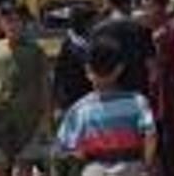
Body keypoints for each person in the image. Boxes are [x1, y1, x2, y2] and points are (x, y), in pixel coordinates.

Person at [57, 36, 157, 176]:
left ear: (87, 71)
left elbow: (67, 146)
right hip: (132, 166)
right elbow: (150, 135)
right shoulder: (138, 101)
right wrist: (147, 167)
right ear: (119, 69)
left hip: (95, 168)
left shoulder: (80, 108)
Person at [0, 3, 50, 176]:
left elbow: (44, 84)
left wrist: (45, 118)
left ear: (24, 23)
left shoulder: (36, 50)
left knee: (24, 166)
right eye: (8, 21)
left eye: (17, 21)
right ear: (1, 23)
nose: (12, 25)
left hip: (28, 119)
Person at [137, 0, 174, 176]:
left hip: (169, 94)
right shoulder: (141, 27)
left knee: (170, 146)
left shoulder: (171, 28)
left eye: (154, 0)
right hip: (149, 93)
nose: (147, 4)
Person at [90, 0, 154, 97]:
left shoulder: (98, 30)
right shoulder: (141, 28)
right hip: (137, 96)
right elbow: (151, 66)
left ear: (108, 0)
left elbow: (93, 69)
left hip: (108, 98)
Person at [53, 5, 95, 118]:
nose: (93, 24)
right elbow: (59, 75)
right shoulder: (73, 45)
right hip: (73, 101)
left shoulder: (84, 41)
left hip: (86, 99)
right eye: (90, 21)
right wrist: (59, 104)